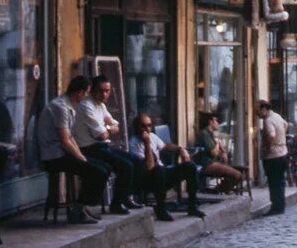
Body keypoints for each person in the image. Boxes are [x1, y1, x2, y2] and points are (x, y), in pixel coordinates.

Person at [37, 76, 109, 224]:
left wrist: (81, 156)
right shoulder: (60, 107)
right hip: (53, 156)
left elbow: (70, 137)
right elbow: (64, 140)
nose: (87, 96)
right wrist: (80, 158)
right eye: (87, 93)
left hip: (63, 153)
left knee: (104, 167)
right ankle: (79, 210)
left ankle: (84, 206)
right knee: (97, 171)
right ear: (80, 93)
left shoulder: (70, 106)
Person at [73, 76, 142, 215]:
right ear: (92, 90)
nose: (104, 94)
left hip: (102, 147)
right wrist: (108, 128)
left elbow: (117, 125)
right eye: (101, 91)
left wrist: (106, 128)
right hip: (88, 149)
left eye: (107, 91)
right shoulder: (87, 107)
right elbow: (102, 135)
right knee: (125, 166)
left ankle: (125, 197)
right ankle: (116, 204)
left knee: (135, 160)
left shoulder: (101, 105)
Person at [129, 115, 205, 220]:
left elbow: (165, 146)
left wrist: (180, 149)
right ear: (136, 127)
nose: (147, 129)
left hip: (162, 174)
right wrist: (147, 143)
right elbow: (149, 167)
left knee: (190, 166)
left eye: (149, 126)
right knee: (158, 170)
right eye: (143, 126)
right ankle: (161, 209)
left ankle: (192, 206)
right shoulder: (133, 143)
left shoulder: (152, 136)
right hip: (147, 179)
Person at [196, 113, 245, 195]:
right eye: (216, 120)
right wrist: (218, 143)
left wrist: (222, 149)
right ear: (210, 122)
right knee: (237, 175)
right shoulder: (204, 134)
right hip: (206, 164)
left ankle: (218, 190)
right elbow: (214, 153)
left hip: (213, 162)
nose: (218, 123)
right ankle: (217, 191)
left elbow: (222, 151)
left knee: (238, 173)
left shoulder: (212, 134)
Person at [257, 100, 289, 215]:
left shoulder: (268, 120)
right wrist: (281, 138)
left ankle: (276, 207)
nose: (257, 113)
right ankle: (281, 205)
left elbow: (271, 135)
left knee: (274, 182)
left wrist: (269, 147)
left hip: (273, 156)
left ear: (264, 109)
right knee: (280, 181)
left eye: (258, 110)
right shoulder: (277, 116)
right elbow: (286, 124)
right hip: (283, 153)